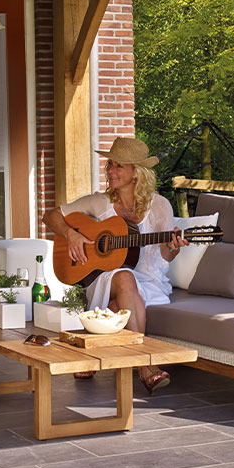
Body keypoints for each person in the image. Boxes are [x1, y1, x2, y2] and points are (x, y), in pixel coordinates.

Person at [42, 137, 187, 394]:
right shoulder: (99, 202)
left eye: (118, 166)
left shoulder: (160, 206)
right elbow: (50, 215)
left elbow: (165, 255)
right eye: (110, 164)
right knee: (123, 276)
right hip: (105, 279)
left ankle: (95, 349)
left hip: (149, 283)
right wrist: (71, 234)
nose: (110, 171)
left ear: (136, 173)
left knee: (118, 304)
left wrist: (173, 247)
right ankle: (145, 365)